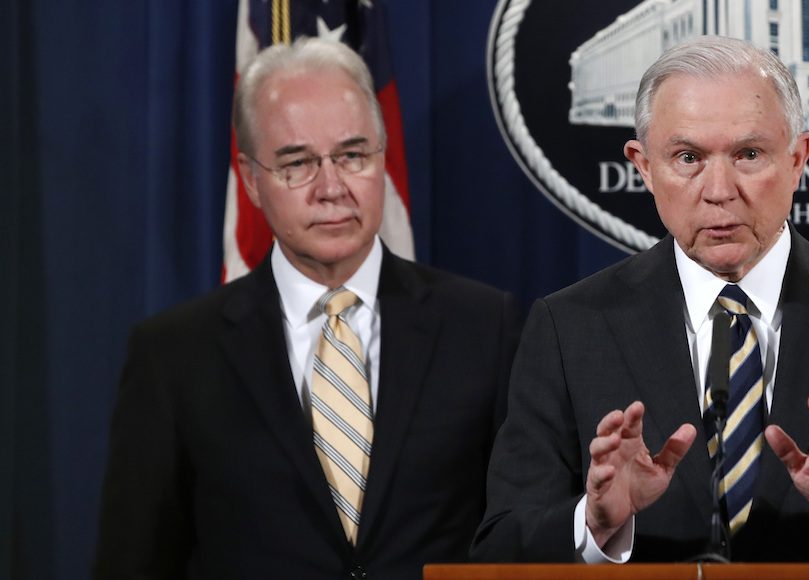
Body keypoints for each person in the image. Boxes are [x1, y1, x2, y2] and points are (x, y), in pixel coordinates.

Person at [472, 36, 809, 570]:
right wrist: (594, 523)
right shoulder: (570, 328)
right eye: (688, 158)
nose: (720, 189)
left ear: (798, 160)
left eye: (749, 154)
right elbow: (498, 551)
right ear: (644, 167)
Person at [94, 37, 519, 579]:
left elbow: (516, 533)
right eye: (297, 164)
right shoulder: (174, 355)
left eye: (352, 155)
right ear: (250, 179)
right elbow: (133, 563)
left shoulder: (484, 326)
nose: (332, 187)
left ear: (382, 158)